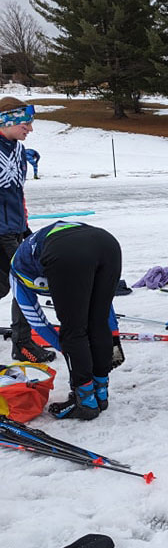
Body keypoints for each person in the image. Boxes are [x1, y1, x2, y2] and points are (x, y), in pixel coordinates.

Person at [10, 221, 122, 420]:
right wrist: (112, 337)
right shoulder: (28, 261)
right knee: (96, 322)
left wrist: (68, 347)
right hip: (107, 243)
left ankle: (86, 402)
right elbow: (104, 312)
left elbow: (37, 322)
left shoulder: (17, 271)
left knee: (73, 331)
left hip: (67, 251)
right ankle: (101, 394)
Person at [0, 97, 54, 363]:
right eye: (25, 122)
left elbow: (17, 192)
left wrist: (24, 225)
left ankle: (23, 338)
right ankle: (22, 343)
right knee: (24, 280)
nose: (29, 129)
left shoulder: (18, 151)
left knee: (12, 282)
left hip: (16, 227)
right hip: (1, 230)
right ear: (7, 120)